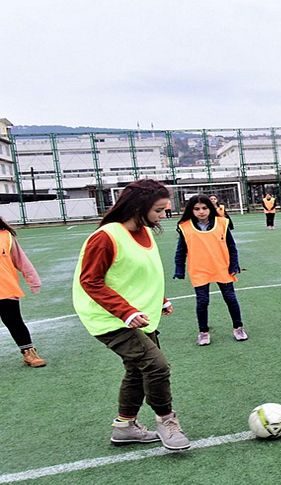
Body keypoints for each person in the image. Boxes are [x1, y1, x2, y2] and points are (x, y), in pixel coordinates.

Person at [72, 179, 190, 451]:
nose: (164, 215)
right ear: (140, 207)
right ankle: (166, 421)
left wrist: (159, 300)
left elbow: (136, 272)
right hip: (108, 318)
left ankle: (125, 427)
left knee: (137, 370)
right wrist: (126, 312)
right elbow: (90, 281)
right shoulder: (106, 236)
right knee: (156, 366)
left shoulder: (144, 231)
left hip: (137, 316)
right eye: (159, 210)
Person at [174, 195, 246, 346]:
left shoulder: (222, 223)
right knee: (202, 301)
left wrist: (234, 265)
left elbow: (232, 248)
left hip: (222, 268)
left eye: (204, 208)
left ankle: (238, 327)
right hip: (199, 269)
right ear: (191, 210)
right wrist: (179, 269)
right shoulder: (185, 227)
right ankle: (203, 332)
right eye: (197, 209)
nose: (201, 212)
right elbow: (180, 251)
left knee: (230, 298)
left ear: (210, 208)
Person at [0, 217, 45, 367]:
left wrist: (33, 280)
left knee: (15, 322)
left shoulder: (6, 236)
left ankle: (29, 353)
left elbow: (21, 260)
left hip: (6, 289)